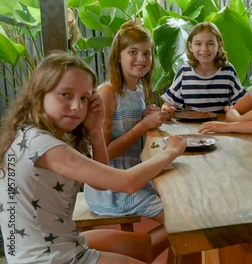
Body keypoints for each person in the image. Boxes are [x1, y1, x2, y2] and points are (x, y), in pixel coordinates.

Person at [0, 52, 186, 263]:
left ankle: (184, 230)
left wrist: (96, 131)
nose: (77, 107)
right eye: (65, 95)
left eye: (84, 98)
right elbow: (127, 182)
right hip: (51, 258)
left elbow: (98, 185)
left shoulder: (26, 134)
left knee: (140, 246)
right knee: (177, 224)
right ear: (39, 93)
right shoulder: (44, 146)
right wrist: (171, 151)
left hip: (46, 245)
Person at [83, 20, 171, 260]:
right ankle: (138, 255)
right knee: (183, 218)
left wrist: (144, 115)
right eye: (133, 52)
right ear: (117, 57)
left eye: (147, 53)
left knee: (184, 197)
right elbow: (104, 155)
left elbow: (131, 130)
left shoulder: (138, 91)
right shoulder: (107, 93)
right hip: (111, 188)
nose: (141, 58)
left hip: (134, 178)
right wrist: (143, 125)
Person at [160, 22, 246, 113]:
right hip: (189, 126)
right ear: (190, 46)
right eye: (198, 44)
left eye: (210, 44)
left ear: (220, 45)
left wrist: (233, 109)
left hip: (219, 125)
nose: (204, 49)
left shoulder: (228, 71)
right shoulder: (184, 72)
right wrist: (166, 108)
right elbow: (168, 103)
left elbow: (242, 103)